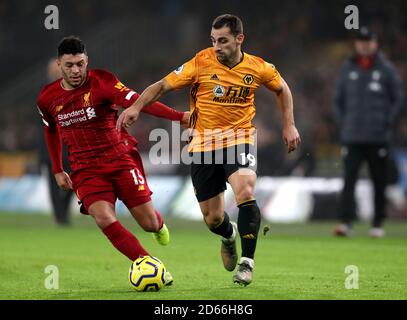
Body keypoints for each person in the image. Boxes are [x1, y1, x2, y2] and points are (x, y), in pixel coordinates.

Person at [117, 14, 301, 286]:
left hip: (239, 137)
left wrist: (289, 125)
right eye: (214, 40)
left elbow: (282, 89)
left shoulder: (258, 67)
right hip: (203, 144)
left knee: (245, 190)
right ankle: (228, 235)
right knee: (213, 218)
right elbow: (162, 86)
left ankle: (247, 264)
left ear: (240, 39)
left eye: (223, 40)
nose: (217, 46)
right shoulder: (201, 62)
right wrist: (135, 107)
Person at [37, 36, 189, 284]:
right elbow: (50, 129)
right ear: (58, 65)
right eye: (69, 65)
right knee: (104, 217)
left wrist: (179, 116)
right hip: (85, 169)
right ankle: (148, 263)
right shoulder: (47, 98)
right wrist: (57, 169)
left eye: (80, 64)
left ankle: (159, 226)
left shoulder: (102, 82)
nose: (76, 70)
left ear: (87, 61)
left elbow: (138, 101)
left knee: (149, 223)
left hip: (119, 160)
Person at [333, 27, 405, 238]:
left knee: (379, 180)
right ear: (357, 44)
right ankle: (346, 222)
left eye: (368, 41)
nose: (364, 45)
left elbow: (398, 99)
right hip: (352, 137)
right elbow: (337, 100)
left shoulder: (386, 69)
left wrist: (387, 121)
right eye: (361, 41)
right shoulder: (348, 67)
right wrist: (343, 122)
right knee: (349, 180)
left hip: (377, 137)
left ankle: (377, 223)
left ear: (375, 44)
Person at [37, 59, 74, 225]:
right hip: (49, 146)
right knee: (53, 183)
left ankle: (63, 213)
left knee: (73, 180)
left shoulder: (73, 89)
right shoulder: (43, 92)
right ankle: (60, 217)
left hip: (69, 146)